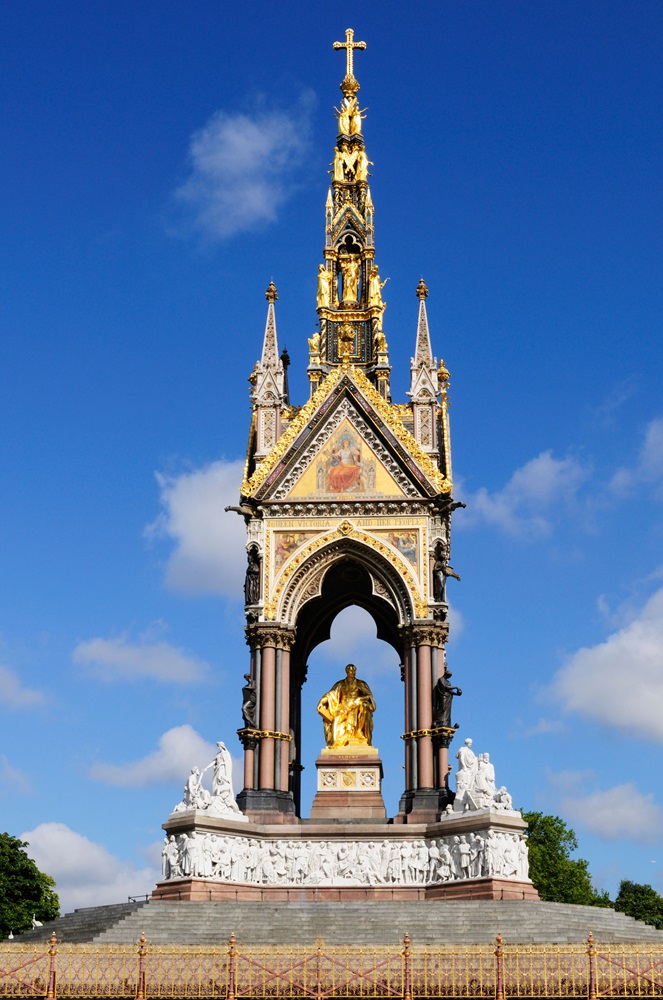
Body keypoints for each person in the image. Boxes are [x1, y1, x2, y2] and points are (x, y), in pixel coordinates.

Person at [317, 664, 376, 748]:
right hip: (343, 707)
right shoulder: (341, 684)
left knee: (364, 707)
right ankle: (334, 742)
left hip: (357, 705)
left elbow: (369, 696)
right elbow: (331, 694)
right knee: (336, 719)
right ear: (347, 672)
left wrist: (359, 700)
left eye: (354, 670)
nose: (353, 672)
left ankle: (359, 731)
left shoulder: (361, 683)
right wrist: (322, 702)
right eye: (351, 671)